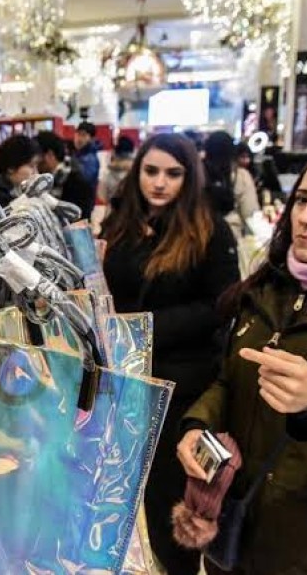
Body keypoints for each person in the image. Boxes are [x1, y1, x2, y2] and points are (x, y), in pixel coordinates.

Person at [178, 147, 307, 574]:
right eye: (303, 199)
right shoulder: (266, 288)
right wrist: (197, 427)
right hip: (240, 534)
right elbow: (229, 381)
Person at [101, 133, 240, 575]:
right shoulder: (121, 222)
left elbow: (222, 303)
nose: (160, 183)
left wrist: (146, 327)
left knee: (168, 498)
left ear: (189, 176)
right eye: (151, 171)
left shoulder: (208, 229)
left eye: (173, 174)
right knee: (120, 495)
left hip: (182, 383)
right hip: (125, 378)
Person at [203, 131, 259, 240]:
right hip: (230, 235)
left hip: (197, 235)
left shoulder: (196, 174)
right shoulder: (241, 176)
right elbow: (250, 213)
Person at [35, 130, 94, 219]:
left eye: (36, 158)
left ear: (49, 155)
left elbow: (81, 221)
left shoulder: (78, 184)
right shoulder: (42, 181)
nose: (35, 164)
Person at [0, 135, 39, 208]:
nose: (36, 172)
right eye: (31, 166)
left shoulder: (15, 190)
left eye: (36, 166)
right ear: (11, 168)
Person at [100, 135, 136, 208]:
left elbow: (102, 195)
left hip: (113, 212)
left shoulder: (108, 172)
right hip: (134, 212)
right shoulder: (138, 171)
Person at [74, 121, 102, 192]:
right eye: (78, 134)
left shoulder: (90, 159)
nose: (79, 139)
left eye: (83, 135)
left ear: (91, 138)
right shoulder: (78, 154)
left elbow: (84, 182)